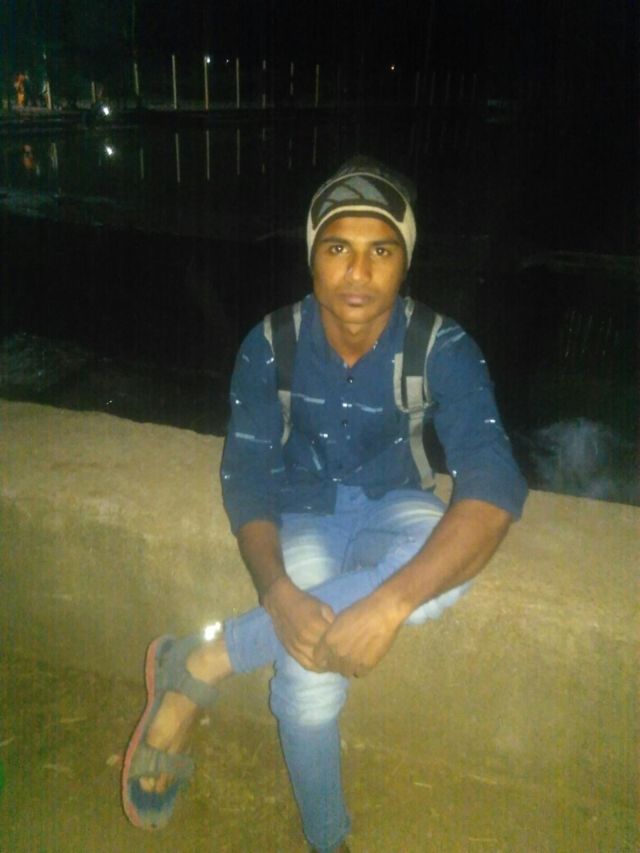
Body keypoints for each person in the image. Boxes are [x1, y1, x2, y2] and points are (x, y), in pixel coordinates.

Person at [122, 157, 527, 852]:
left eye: (382, 251)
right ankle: (326, 836)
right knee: (307, 671)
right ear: (312, 256)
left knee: (436, 567)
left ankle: (206, 660)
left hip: (398, 502)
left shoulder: (442, 345)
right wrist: (277, 593)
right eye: (338, 248)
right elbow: (248, 478)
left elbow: (492, 489)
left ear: (405, 263)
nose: (358, 272)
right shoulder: (270, 344)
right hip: (303, 510)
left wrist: (389, 604)